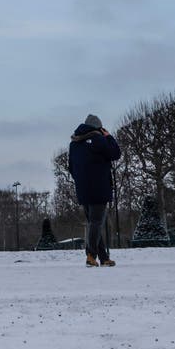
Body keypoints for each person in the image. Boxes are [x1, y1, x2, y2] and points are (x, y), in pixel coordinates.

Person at [67, 114, 122, 267]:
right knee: (96, 223)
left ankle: (103, 258)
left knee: (93, 223)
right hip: (99, 186)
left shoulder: (74, 144)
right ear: (98, 127)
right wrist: (109, 137)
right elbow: (115, 153)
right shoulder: (98, 139)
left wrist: (82, 180)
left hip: (83, 189)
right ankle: (90, 255)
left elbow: (71, 167)